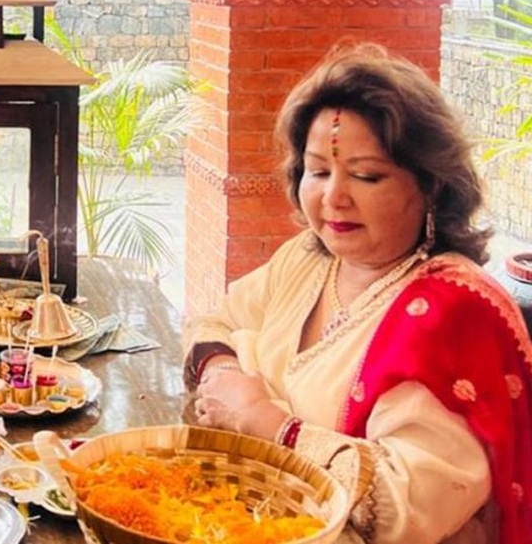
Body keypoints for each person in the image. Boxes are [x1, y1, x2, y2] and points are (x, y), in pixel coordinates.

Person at [185, 43, 532, 543]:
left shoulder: (452, 312)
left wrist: (264, 422)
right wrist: (224, 375)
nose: (334, 198)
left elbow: (403, 506)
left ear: (431, 186)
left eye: (367, 176)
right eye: (318, 171)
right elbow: (213, 322)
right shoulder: (309, 259)